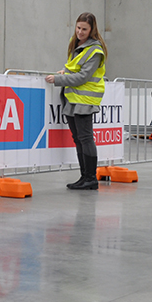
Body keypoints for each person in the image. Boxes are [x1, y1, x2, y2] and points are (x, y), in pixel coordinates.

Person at [46, 12, 108, 191]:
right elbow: (75, 70)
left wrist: (58, 80)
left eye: (84, 29)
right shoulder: (77, 45)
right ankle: (84, 177)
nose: (80, 32)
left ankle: (91, 179)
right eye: (78, 27)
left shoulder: (95, 50)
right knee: (79, 139)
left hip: (85, 100)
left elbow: (83, 77)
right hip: (73, 99)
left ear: (92, 30)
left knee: (86, 139)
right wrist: (64, 73)